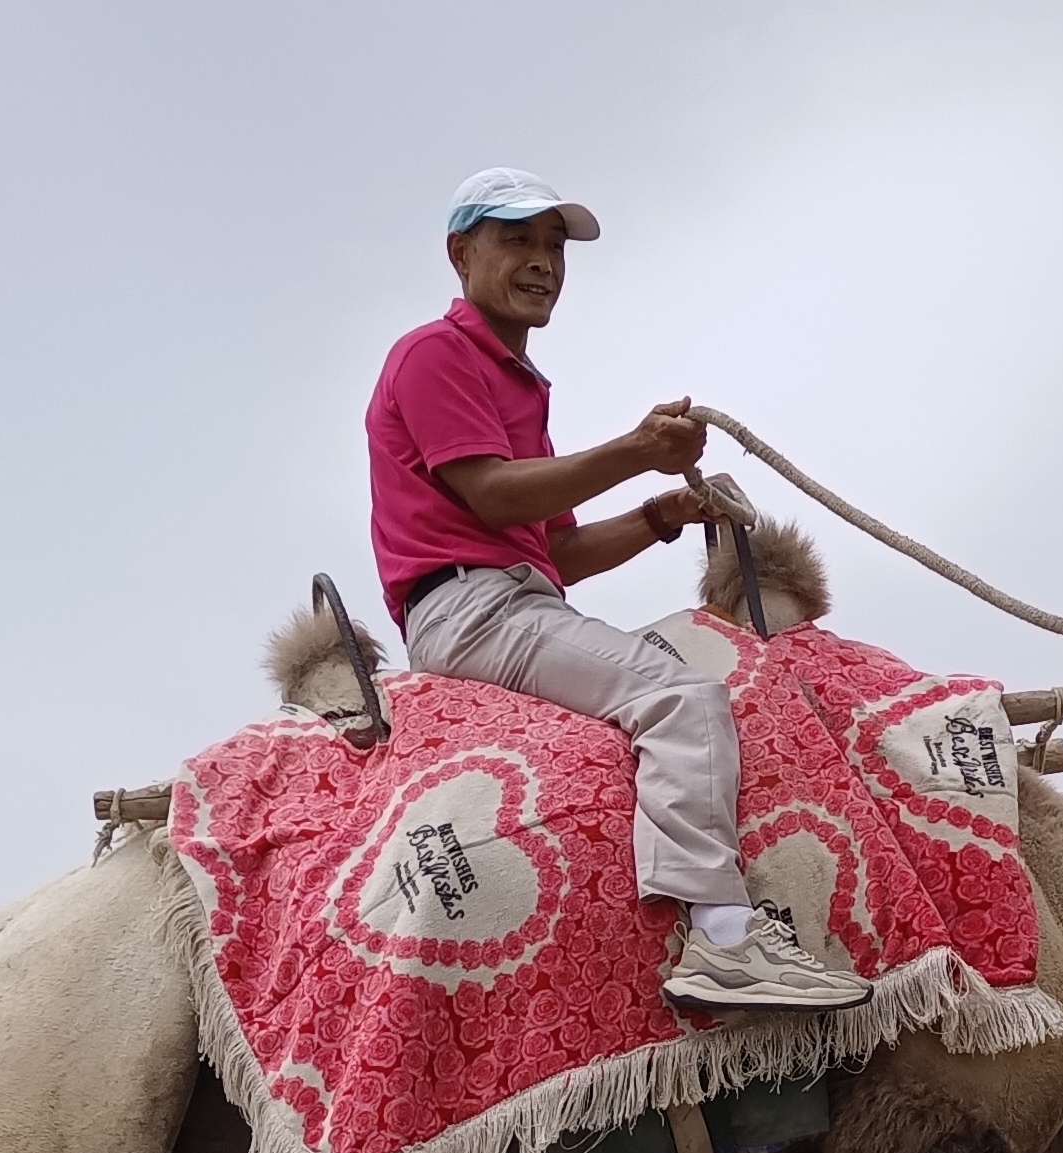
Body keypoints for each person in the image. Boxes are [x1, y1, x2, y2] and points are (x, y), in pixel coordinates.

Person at [365, 167, 871, 1016]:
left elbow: (556, 548)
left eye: (554, 246)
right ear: (461, 253)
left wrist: (660, 512)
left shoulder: (519, 386)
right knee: (679, 698)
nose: (542, 262)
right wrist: (638, 449)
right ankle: (722, 937)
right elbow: (493, 494)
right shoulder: (434, 353)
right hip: (472, 608)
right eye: (517, 240)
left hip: (517, 598)